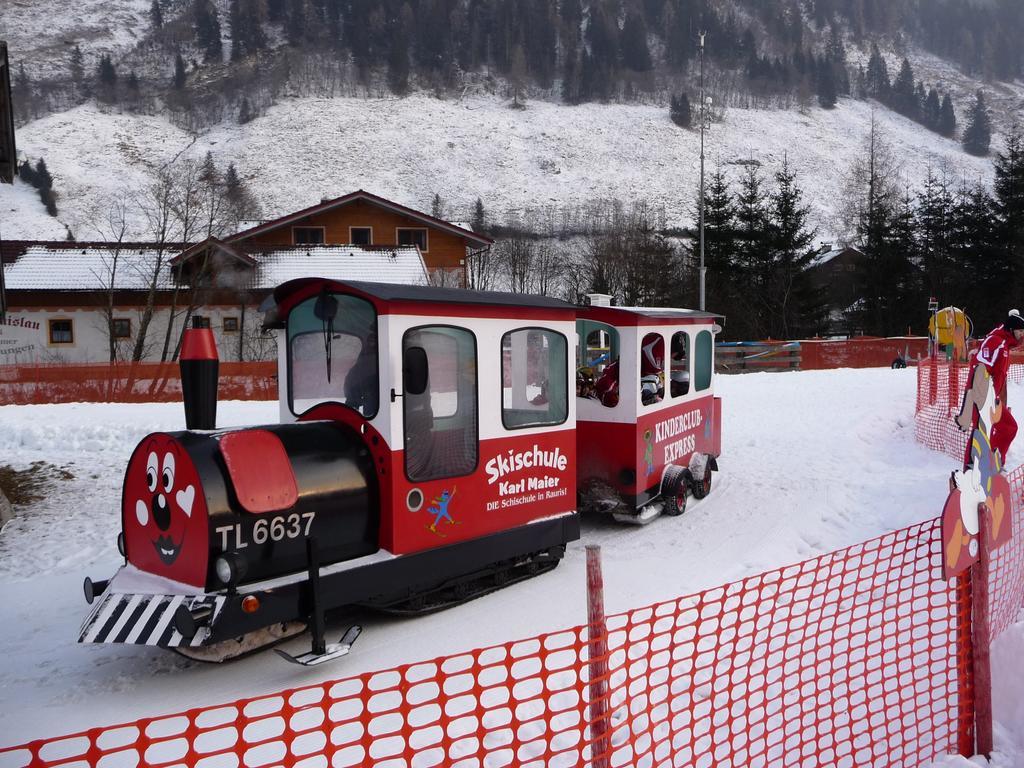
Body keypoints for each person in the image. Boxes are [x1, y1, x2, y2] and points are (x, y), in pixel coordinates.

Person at [964, 309, 1024, 464]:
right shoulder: (996, 343)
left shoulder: (1005, 345)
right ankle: (970, 470)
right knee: (979, 433)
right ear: (1011, 330)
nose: (1021, 335)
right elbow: (979, 368)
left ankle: (994, 462)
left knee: (1008, 427)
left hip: (992, 398)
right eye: (1020, 331)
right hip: (981, 397)